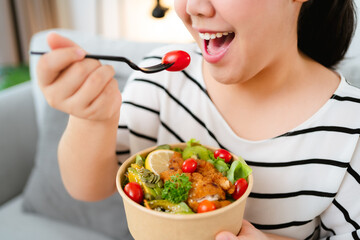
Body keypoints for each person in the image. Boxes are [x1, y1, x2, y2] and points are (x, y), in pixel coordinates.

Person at [36, 0, 359, 239]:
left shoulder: (350, 128)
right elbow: (88, 187)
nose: (193, 7)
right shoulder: (161, 79)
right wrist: (91, 118)